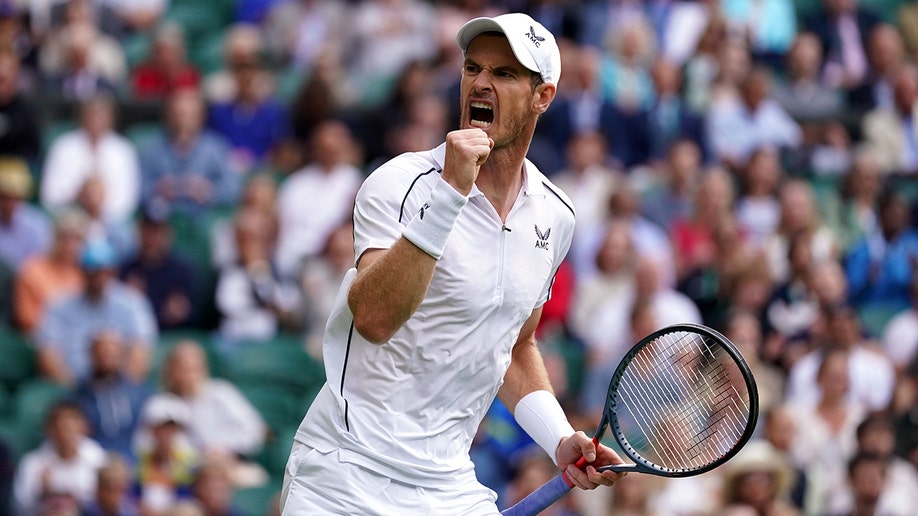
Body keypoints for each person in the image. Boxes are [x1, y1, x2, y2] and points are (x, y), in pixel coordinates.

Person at [280, 13, 625, 514]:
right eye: (473, 68)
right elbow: (374, 319)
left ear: (542, 97)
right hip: (344, 474)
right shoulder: (398, 183)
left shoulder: (557, 216)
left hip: (448, 487)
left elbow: (513, 343)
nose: (481, 83)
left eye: (504, 74)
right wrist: (449, 194)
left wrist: (558, 437)